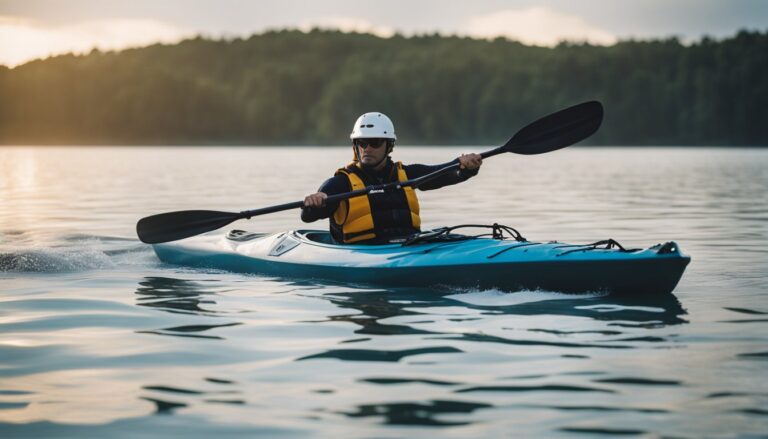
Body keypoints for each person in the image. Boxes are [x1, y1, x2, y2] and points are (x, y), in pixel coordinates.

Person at [302, 112, 482, 244]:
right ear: (355, 146)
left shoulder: (407, 175)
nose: (367, 148)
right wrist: (315, 203)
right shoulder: (339, 183)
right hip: (361, 253)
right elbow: (308, 217)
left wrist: (466, 168)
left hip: (409, 246)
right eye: (362, 143)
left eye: (375, 142)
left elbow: (445, 173)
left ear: (389, 146)